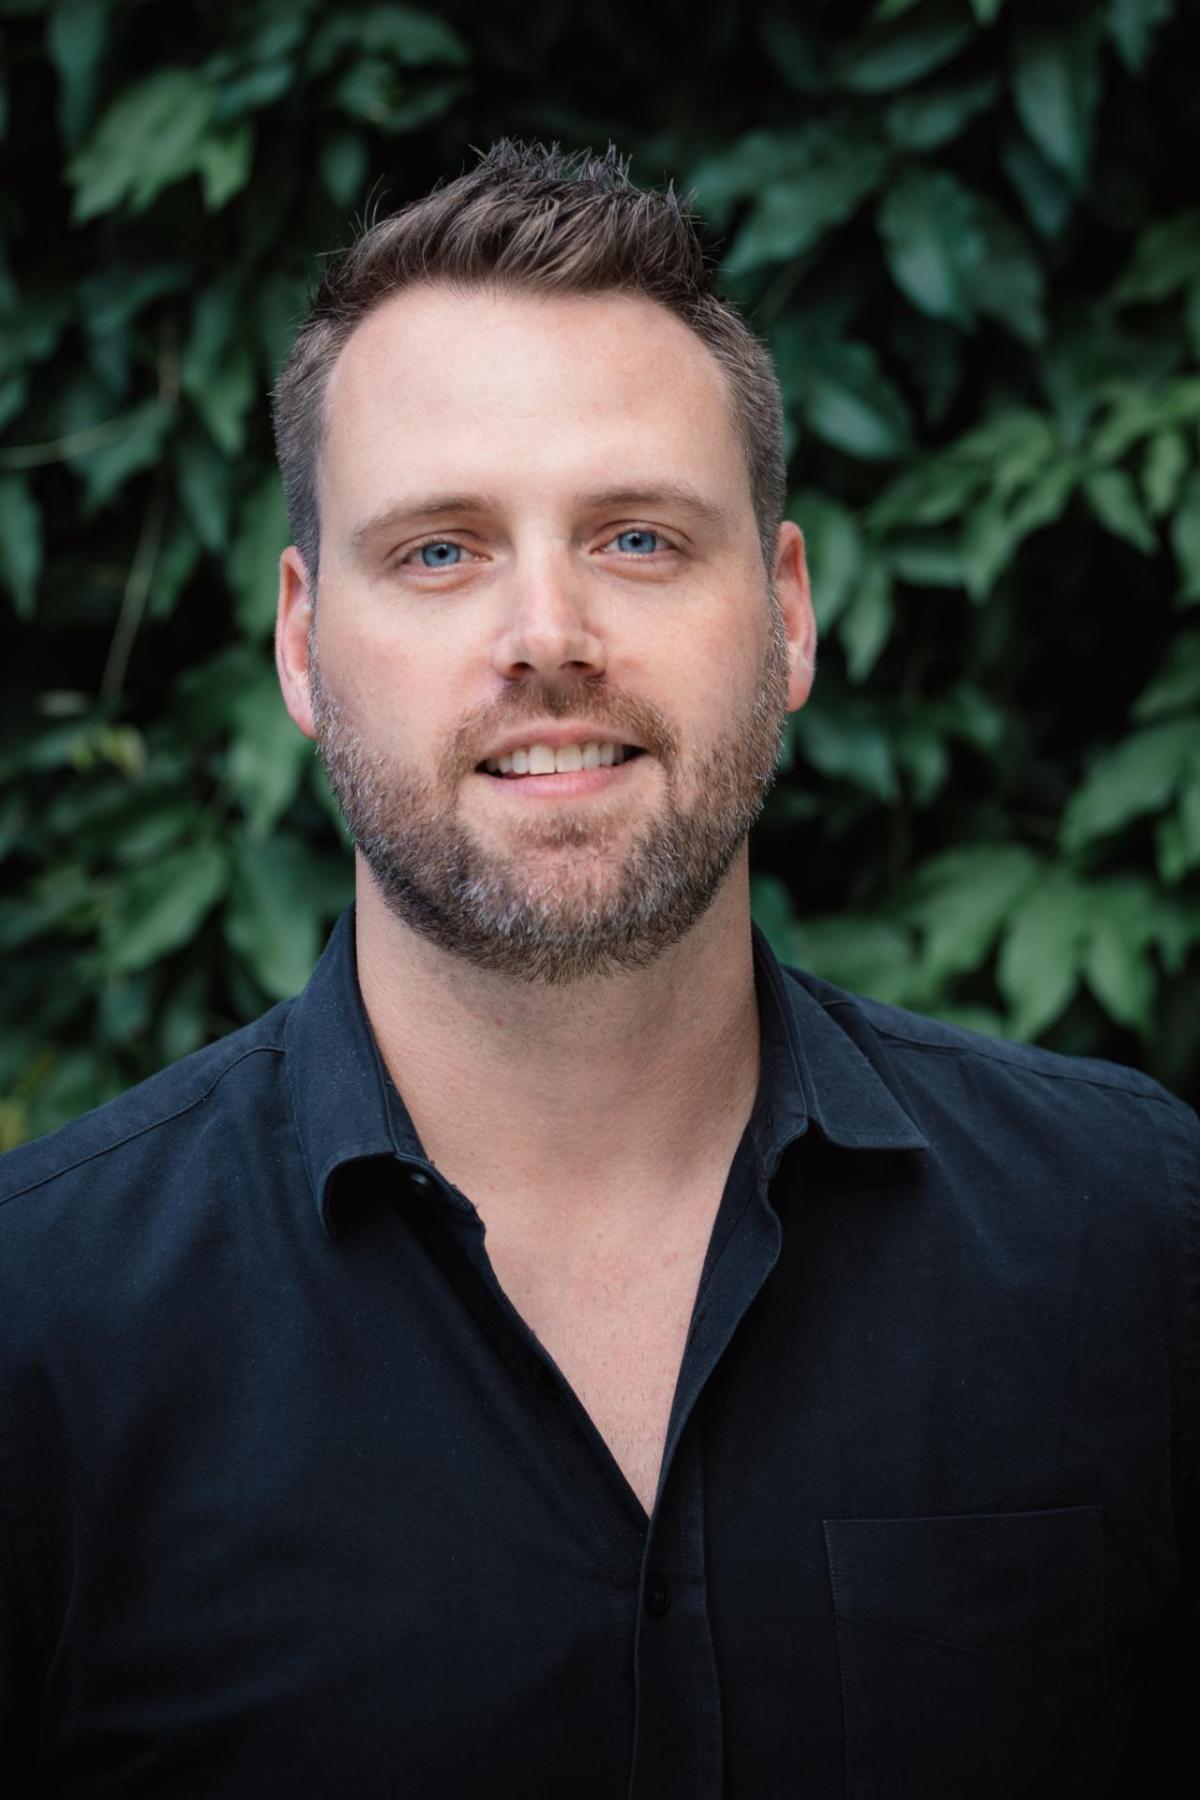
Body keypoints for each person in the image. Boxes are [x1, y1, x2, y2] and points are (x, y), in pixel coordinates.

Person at [0, 140, 1195, 1800]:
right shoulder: (41, 1332)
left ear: (786, 613)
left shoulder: (1135, 1244)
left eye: (636, 538)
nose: (546, 633)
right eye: (438, 550)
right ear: (298, 642)